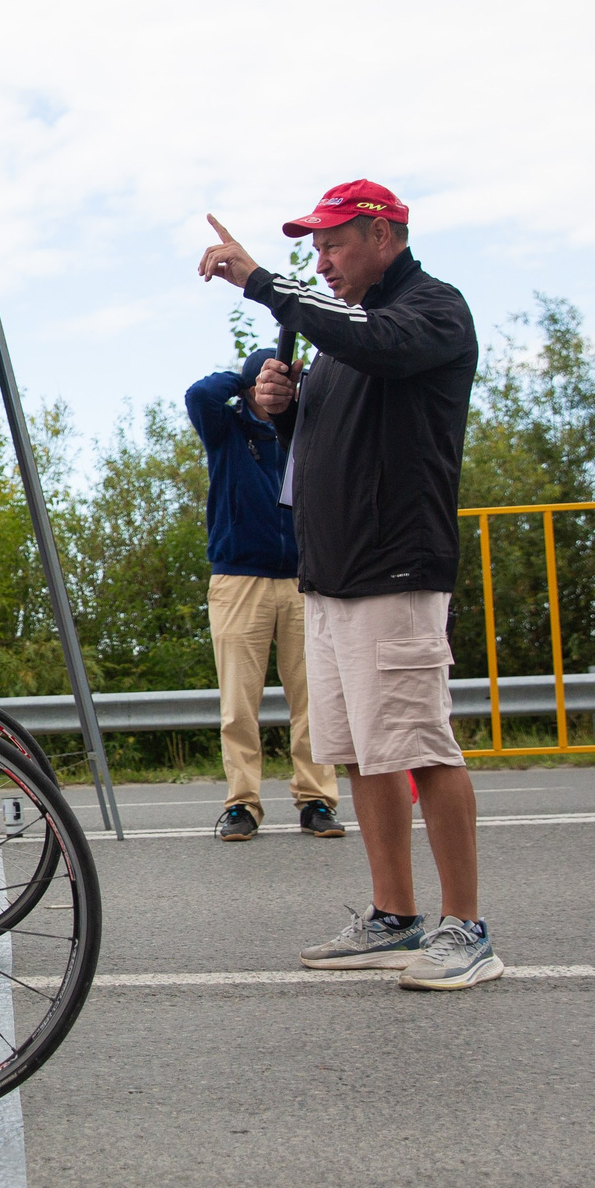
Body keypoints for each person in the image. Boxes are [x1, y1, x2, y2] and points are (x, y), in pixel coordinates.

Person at [198, 180, 501, 992]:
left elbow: (381, 346)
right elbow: (326, 436)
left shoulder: (432, 309)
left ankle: (467, 928)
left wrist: (264, 283)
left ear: (382, 234)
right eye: (315, 249)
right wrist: (282, 407)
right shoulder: (343, 338)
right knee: (365, 751)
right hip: (329, 575)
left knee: (421, 744)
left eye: (333, 245)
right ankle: (393, 917)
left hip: (395, 568)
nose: (322, 261)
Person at [185, 349, 341, 841]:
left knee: (313, 699)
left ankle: (316, 799)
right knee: (238, 705)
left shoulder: (305, 427)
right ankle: (242, 805)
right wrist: (249, 376)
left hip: (303, 577)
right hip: (239, 580)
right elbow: (198, 394)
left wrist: (297, 387)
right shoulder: (226, 428)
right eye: (271, 383)